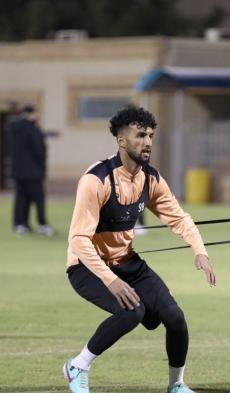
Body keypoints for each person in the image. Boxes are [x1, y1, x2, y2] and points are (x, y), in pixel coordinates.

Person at [63, 106, 216, 393]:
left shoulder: (151, 178)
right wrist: (111, 280)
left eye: (150, 136)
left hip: (127, 263)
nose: (147, 142)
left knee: (175, 317)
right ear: (122, 141)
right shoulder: (96, 180)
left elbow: (179, 218)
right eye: (140, 135)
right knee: (131, 313)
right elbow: (79, 240)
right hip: (86, 266)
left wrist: (199, 250)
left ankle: (176, 386)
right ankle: (77, 366)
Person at [7, 104, 54, 236]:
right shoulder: (33, 129)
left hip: (18, 171)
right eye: (36, 113)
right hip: (33, 171)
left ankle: (21, 224)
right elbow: (39, 151)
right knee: (39, 198)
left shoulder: (13, 128)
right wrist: (42, 168)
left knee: (21, 198)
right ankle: (42, 224)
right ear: (31, 113)